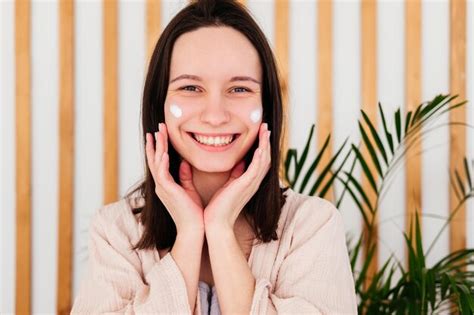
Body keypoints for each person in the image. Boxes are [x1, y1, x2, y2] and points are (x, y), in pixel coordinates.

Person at [71, 0, 357, 314]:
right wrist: (190, 235)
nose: (215, 115)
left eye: (239, 89)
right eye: (191, 87)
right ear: (159, 104)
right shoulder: (117, 230)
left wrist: (219, 230)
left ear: (267, 106)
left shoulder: (311, 226)